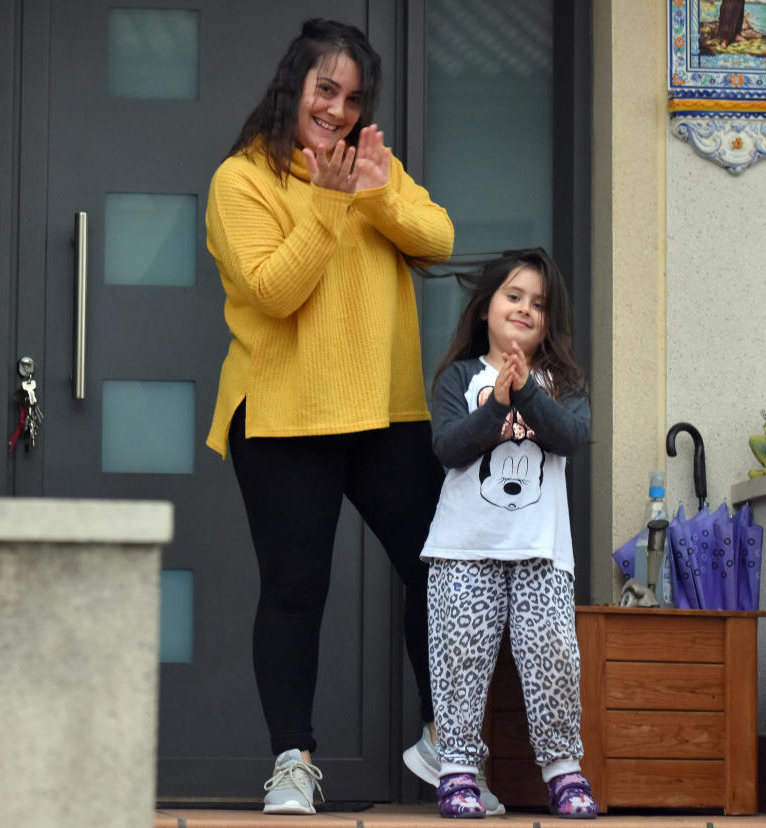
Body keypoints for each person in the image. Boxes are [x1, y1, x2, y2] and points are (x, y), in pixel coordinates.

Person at [203, 18, 464, 816]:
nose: (338, 109)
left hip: (383, 410)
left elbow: (438, 239)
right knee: (295, 586)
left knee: (439, 570)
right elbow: (274, 292)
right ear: (295, 85)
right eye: (326, 90)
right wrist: (326, 202)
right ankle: (292, 763)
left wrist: (375, 192)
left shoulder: (369, 168)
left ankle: (444, 746)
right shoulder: (240, 180)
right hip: (282, 410)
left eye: (352, 97)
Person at [419, 249, 598, 819]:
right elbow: (449, 449)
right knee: (460, 657)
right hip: (463, 547)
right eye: (513, 296)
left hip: (541, 552)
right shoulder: (459, 377)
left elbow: (570, 437)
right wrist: (496, 399)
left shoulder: (562, 380)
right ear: (486, 308)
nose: (524, 309)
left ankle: (564, 773)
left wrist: (523, 392)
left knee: (552, 657)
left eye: (538, 304)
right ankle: (457, 772)